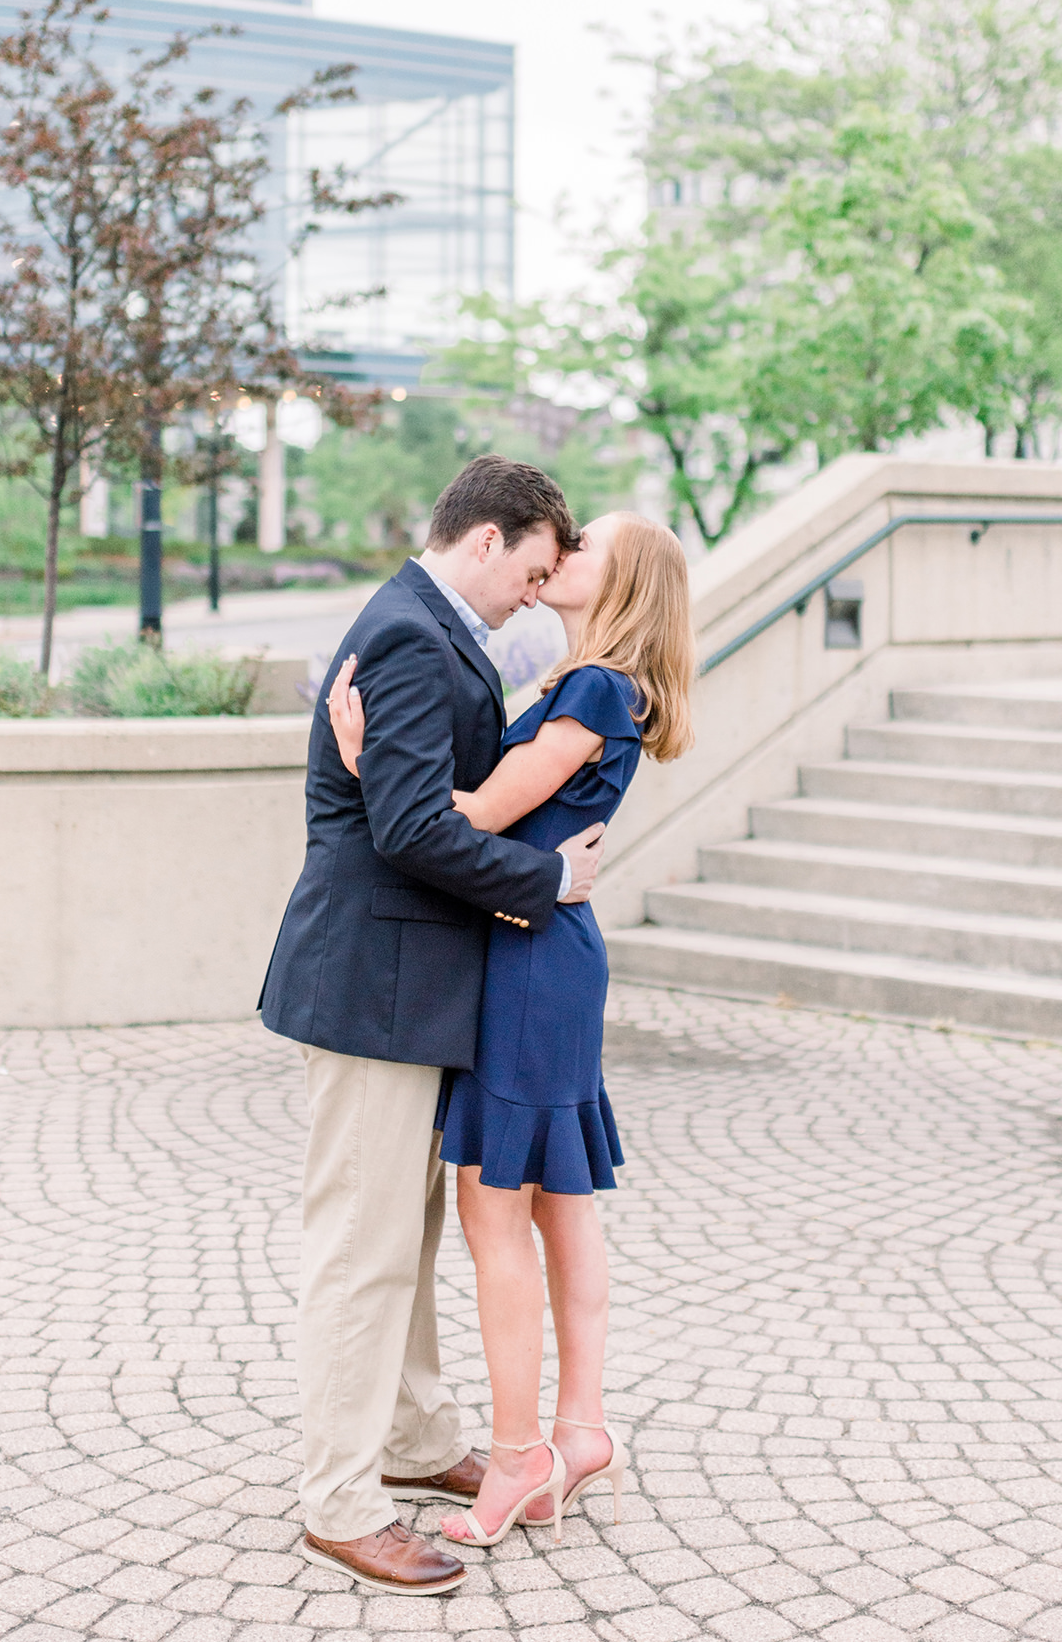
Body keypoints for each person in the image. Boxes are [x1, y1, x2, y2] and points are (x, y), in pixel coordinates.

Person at [258, 456, 608, 1596]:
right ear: (489, 542)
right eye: (536, 571)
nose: (533, 594)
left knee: (399, 1239)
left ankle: (411, 1441)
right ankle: (341, 1501)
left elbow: (413, 798)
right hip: (374, 987)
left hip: (406, 988)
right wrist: (546, 879)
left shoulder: (427, 627)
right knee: (361, 1256)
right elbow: (410, 827)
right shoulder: (414, 632)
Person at [328, 511, 695, 1549]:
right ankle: (577, 1433)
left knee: (497, 1220)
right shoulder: (605, 685)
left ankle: (526, 1452)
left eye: (584, 547)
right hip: (548, 956)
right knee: (561, 1208)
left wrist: (371, 772)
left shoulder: (589, 687)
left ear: (622, 580)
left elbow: (479, 815)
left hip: (533, 966)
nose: (561, 554)